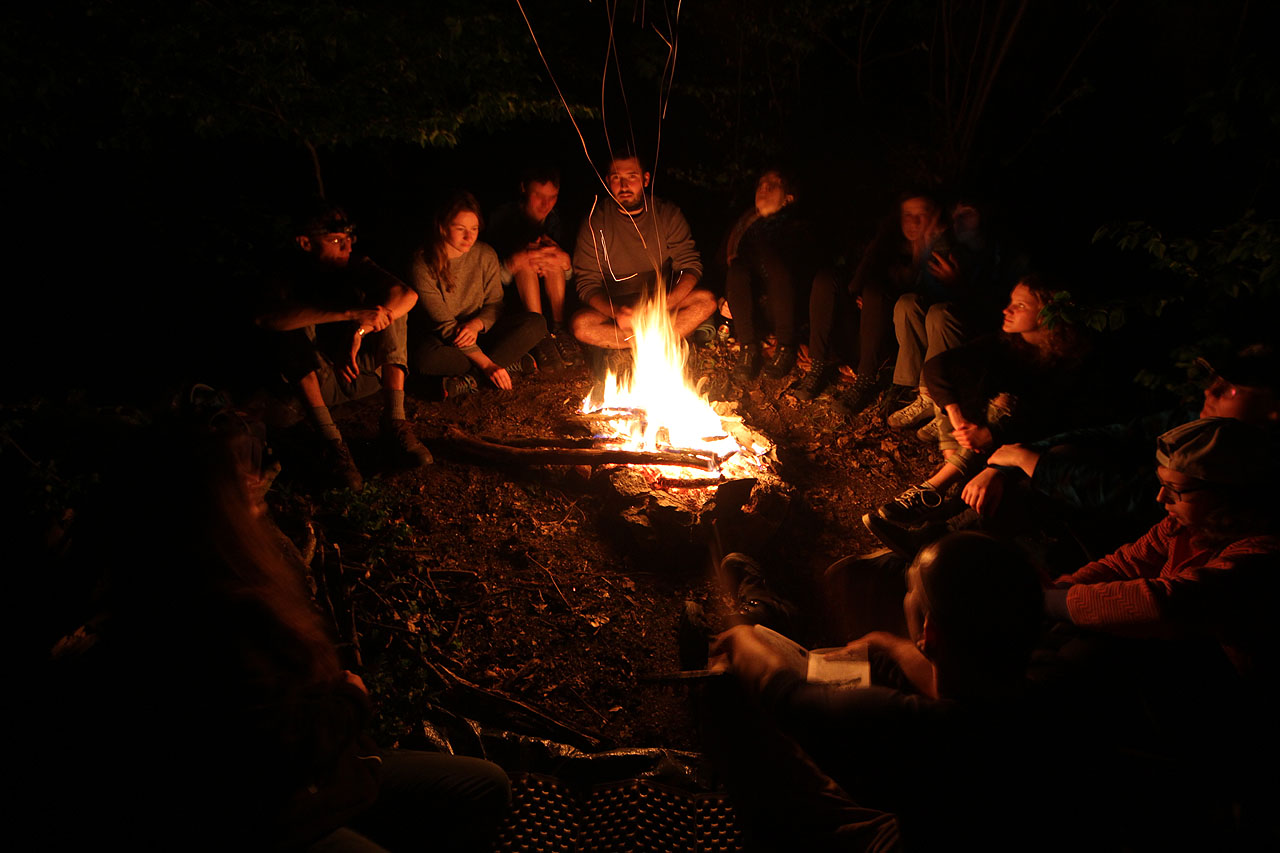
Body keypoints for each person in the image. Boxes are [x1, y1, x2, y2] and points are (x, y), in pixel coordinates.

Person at [45, 417, 512, 850]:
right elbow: (269, 756)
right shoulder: (203, 612)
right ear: (205, 505)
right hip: (264, 813)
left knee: (484, 783)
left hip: (320, 770)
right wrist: (349, 701)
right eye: (242, 479)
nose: (262, 479)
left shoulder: (218, 573)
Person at [704, 533, 1064, 851]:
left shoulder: (919, 730)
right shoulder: (1047, 686)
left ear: (929, 632)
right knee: (876, 664)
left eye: (912, 591)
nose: (907, 595)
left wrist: (741, 635)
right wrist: (891, 645)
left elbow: (786, 698)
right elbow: (959, 678)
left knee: (732, 694)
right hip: (979, 829)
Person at [869, 274, 1087, 529]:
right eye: (1010, 302)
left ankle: (932, 489)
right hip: (979, 443)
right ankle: (942, 486)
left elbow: (1049, 423)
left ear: (1048, 315)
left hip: (1028, 449)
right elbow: (936, 367)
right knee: (956, 386)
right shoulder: (1005, 343)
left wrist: (990, 434)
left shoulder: (1071, 365)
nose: (1007, 310)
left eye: (1021, 306)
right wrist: (958, 418)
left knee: (1006, 403)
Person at [256, 202, 432, 491]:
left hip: (360, 373)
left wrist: (359, 330)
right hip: (317, 381)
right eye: (336, 241)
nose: (346, 247)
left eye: (349, 239)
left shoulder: (356, 266)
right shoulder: (284, 275)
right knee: (290, 329)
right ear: (305, 243)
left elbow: (406, 295)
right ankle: (333, 444)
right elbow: (267, 319)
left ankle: (395, 423)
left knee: (389, 313)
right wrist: (348, 314)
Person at [884, 197, 1022, 437]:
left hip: (986, 331)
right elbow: (923, 288)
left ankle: (938, 401)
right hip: (947, 324)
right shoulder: (951, 248)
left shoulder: (1001, 254)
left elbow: (998, 310)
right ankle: (921, 394)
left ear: (984, 217)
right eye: (955, 216)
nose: (958, 222)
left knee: (941, 313)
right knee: (908, 303)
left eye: (966, 215)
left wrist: (960, 285)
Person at [793, 193, 941, 407]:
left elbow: (918, 299)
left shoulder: (942, 250)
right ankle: (817, 366)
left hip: (887, 347)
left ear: (934, 217)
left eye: (922, 214)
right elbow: (854, 285)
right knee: (828, 278)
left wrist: (921, 252)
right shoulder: (888, 245)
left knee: (875, 292)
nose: (914, 222)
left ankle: (864, 383)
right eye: (908, 214)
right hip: (858, 331)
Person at [570, 152, 716, 355]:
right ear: (607, 182)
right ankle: (659, 341)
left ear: (645, 179)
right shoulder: (595, 221)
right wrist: (617, 312)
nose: (624, 186)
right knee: (582, 325)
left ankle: (630, 345)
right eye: (616, 178)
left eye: (632, 176)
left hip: (660, 303)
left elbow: (690, 266)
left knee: (705, 301)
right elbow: (587, 284)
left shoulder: (666, 214)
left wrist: (663, 305)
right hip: (620, 309)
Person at [409, 192, 547, 398]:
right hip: (447, 339)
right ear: (443, 227)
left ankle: (471, 379)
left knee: (536, 324)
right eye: (460, 229)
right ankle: (505, 363)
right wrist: (488, 364)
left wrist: (477, 325)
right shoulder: (422, 263)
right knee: (424, 359)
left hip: (482, 333)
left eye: (474, 229)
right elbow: (444, 325)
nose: (469, 237)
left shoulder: (485, 254)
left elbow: (496, 303)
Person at [724, 168, 822, 383]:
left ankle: (786, 348)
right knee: (738, 268)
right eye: (761, 184)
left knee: (775, 262)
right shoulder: (744, 226)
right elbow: (728, 262)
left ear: (788, 199)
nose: (764, 188)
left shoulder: (799, 227)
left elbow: (796, 272)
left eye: (773, 184)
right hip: (756, 309)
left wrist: (764, 223)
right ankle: (748, 347)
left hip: (791, 312)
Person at [485, 165, 581, 369]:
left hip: (553, 299)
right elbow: (490, 276)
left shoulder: (558, 221)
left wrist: (563, 261)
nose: (546, 204)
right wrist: (517, 261)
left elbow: (572, 273)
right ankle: (540, 338)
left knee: (552, 259)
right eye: (539, 195)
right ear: (523, 188)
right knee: (527, 262)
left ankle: (558, 329)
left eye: (553, 196)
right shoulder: (501, 219)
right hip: (511, 304)